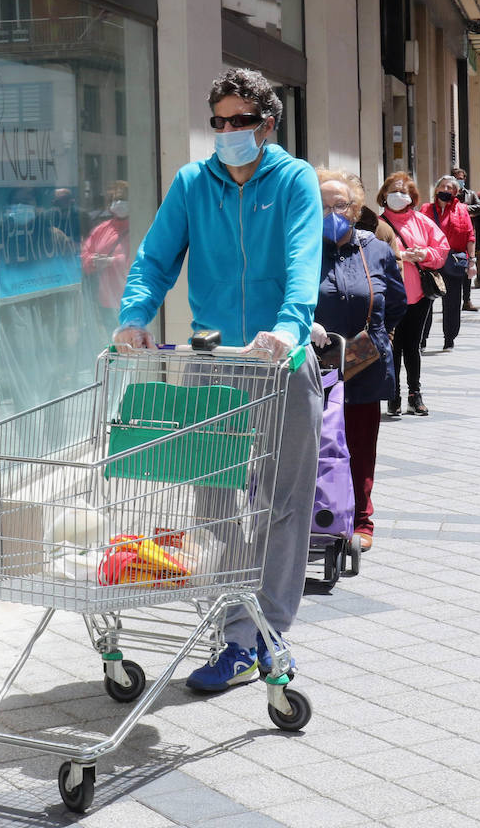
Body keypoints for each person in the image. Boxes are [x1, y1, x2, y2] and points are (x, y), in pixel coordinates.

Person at [115, 68, 322, 692]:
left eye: (241, 121)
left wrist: (290, 328)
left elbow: (301, 261)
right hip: (212, 360)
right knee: (216, 500)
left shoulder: (294, 180)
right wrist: (133, 317)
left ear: (268, 122)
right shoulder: (191, 184)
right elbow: (154, 259)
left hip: (275, 358)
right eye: (220, 122)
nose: (228, 133)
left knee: (284, 502)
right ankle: (236, 633)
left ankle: (270, 629)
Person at [312, 170, 406, 551]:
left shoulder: (377, 249)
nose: (332, 212)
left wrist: (377, 337)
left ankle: (361, 519)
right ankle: (316, 513)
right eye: (322, 206)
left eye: (340, 205)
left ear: (354, 209)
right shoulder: (299, 248)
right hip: (313, 363)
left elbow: (397, 302)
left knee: (359, 443)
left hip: (362, 362)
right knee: (313, 444)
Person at [378, 173, 449, 416]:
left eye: (403, 191)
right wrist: (398, 257)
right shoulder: (377, 224)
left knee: (412, 346)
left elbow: (441, 249)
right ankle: (393, 395)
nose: (398, 196)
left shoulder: (422, 221)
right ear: (384, 195)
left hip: (418, 296)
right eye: (393, 190)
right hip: (389, 298)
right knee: (392, 348)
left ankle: (414, 394)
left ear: (412, 197)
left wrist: (425, 254)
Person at [421, 175, 478, 347]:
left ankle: (449, 338)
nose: (446, 190)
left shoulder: (462, 209)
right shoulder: (425, 209)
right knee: (425, 300)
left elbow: (470, 235)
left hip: (453, 261)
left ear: (455, 192)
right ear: (436, 189)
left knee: (452, 301)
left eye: (450, 188)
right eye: (443, 186)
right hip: (430, 261)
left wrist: (472, 261)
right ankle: (422, 339)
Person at [82, 181, 131, 334]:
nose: (118, 203)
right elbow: (84, 254)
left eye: (122, 198)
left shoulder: (141, 225)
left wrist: (113, 261)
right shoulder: (102, 229)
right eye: (114, 199)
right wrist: (93, 262)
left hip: (131, 299)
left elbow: (143, 259)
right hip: (106, 301)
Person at [450, 168, 479, 310]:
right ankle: (451, 300)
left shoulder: (470, 194)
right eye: (455, 178)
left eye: (460, 178)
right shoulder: (447, 195)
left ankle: (467, 300)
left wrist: (465, 209)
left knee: (468, 269)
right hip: (451, 237)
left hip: (468, 236)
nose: (458, 180)